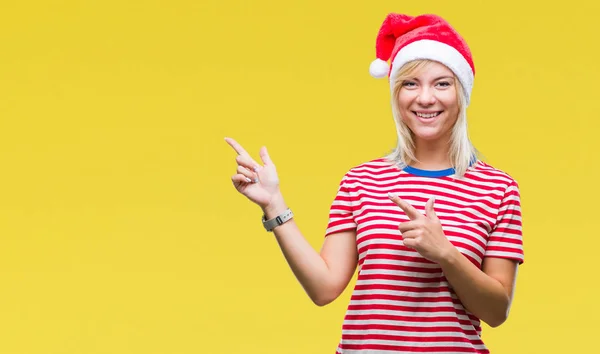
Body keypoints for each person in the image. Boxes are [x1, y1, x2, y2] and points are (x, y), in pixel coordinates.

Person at [225, 13, 523, 354]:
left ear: (462, 92)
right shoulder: (362, 181)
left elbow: (497, 311)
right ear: (396, 94)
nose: (425, 98)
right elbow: (324, 289)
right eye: (411, 83)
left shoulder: (497, 188)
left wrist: (446, 254)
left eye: (442, 83)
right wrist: (274, 205)